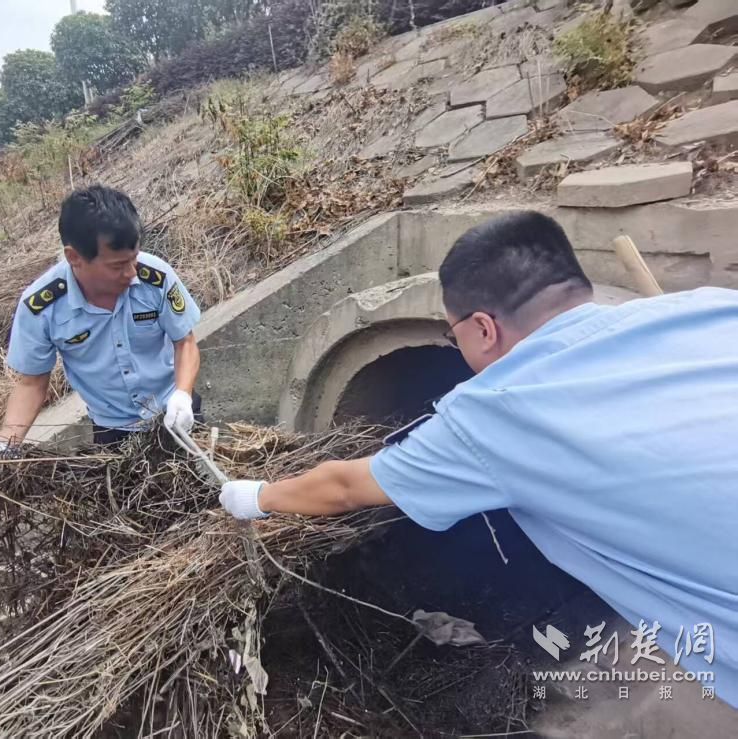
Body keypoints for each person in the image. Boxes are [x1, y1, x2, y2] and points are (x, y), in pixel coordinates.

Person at [219, 211, 738, 708]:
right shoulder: (709, 307)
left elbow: (345, 487)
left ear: (484, 328)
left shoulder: (495, 411)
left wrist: (256, 495)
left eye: (454, 335)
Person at [0, 185, 202, 451]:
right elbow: (32, 383)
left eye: (133, 259)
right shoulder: (42, 307)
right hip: (113, 433)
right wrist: (4, 445)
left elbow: (184, 341)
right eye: (117, 265)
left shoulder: (156, 277)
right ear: (74, 257)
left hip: (176, 414)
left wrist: (183, 394)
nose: (131, 272)